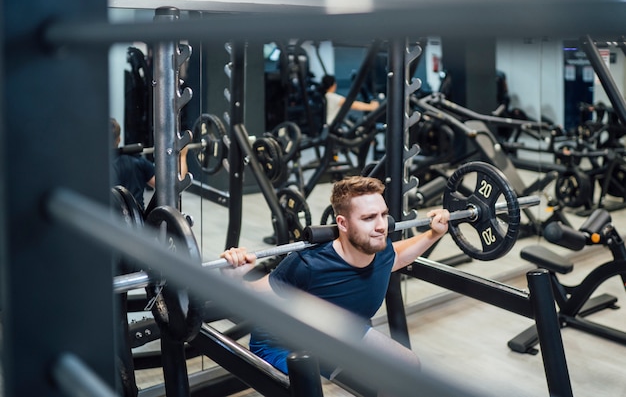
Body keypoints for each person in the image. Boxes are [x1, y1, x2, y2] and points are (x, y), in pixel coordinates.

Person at [220, 175, 449, 381]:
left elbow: (397, 256)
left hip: (339, 333)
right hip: (282, 343)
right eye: (369, 218)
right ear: (343, 223)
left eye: (383, 214)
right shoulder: (308, 264)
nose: (381, 226)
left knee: (407, 365)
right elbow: (255, 296)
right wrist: (233, 278)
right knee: (308, 382)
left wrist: (433, 234)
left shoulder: (380, 249)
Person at [111, 118, 188, 210]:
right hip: (136, 221)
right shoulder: (137, 161)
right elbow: (172, 187)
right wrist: (182, 156)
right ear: (119, 139)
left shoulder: (95, 167)